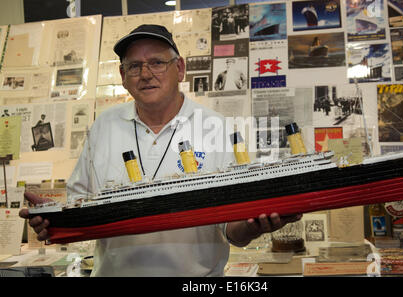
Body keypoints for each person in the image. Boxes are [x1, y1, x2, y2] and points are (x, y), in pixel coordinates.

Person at [19, 24, 301, 277]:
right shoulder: (104, 126)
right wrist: (54, 220)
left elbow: (234, 233)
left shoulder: (216, 127)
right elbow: (79, 210)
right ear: (122, 75)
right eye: (134, 66)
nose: (145, 74)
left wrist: (254, 226)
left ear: (180, 69)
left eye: (157, 62)